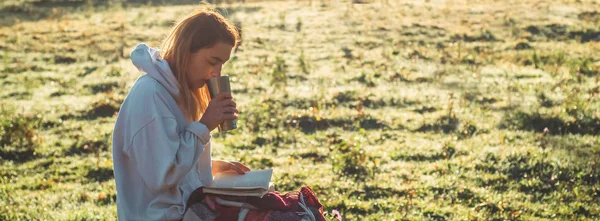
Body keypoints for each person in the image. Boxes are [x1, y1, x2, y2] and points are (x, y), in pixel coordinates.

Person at [111, 7, 250, 220]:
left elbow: (167, 157)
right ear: (186, 51)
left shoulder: (181, 92)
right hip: (158, 216)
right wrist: (204, 126)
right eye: (213, 61)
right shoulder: (151, 95)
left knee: (274, 205)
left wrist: (211, 167)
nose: (217, 72)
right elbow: (161, 176)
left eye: (222, 64)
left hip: (185, 208)